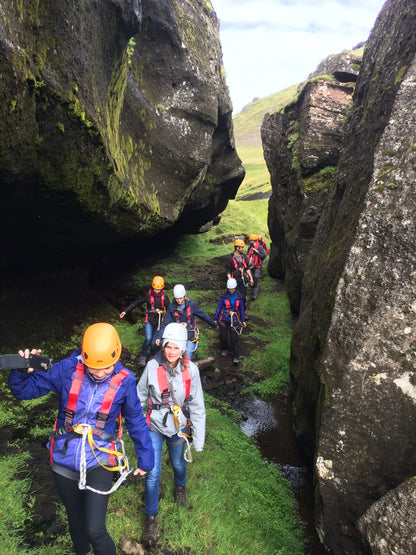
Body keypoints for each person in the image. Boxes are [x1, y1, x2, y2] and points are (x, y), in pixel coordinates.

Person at [8, 323, 154, 555]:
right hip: (63, 459)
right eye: (94, 367)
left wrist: (146, 458)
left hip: (100, 460)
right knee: (75, 523)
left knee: (95, 529)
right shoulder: (66, 369)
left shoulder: (125, 381)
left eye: (106, 368)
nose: (99, 373)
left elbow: (135, 419)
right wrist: (20, 372)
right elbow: (24, 391)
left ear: (116, 355)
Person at [137, 323, 206, 548]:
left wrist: (199, 440)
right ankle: (150, 520)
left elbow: (197, 405)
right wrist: (136, 430)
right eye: (168, 346)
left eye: (176, 347)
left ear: (183, 349)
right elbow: (140, 398)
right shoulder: (151, 367)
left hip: (178, 426)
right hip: (155, 425)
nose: (171, 351)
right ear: (163, 345)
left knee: (177, 464)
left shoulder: (191, 370)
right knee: (152, 472)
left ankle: (180, 486)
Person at [156, 284, 218, 360]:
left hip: (190, 336)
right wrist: (159, 337)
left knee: (186, 359)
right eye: (177, 299)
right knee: (174, 358)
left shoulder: (191, 305)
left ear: (184, 296)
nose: (178, 300)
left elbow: (203, 315)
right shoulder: (171, 307)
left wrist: (214, 325)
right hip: (177, 337)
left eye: (180, 298)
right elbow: (165, 323)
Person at [120, 276, 170, 367]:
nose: (156, 291)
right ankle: (143, 356)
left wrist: (172, 320)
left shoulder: (164, 297)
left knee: (154, 343)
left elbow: (170, 309)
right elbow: (137, 302)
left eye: (158, 289)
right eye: (155, 289)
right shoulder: (148, 295)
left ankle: (152, 356)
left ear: (162, 288)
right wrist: (125, 311)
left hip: (159, 323)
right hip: (149, 321)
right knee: (148, 338)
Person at [214, 278, 247, 365]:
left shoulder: (239, 297)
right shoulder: (223, 296)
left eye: (232, 289)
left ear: (235, 288)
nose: (231, 291)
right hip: (224, 318)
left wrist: (243, 320)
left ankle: (235, 356)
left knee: (234, 338)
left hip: (235, 319)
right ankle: (224, 348)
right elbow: (219, 308)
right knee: (223, 336)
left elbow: (242, 310)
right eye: (229, 289)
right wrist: (215, 319)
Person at [225, 239, 254, 303]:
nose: (243, 249)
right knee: (234, 297)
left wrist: (251, 278)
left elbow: (247, 268)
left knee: (243, 297)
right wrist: (230, 282)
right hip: (234, 280)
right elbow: (228, 271)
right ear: (237, 248)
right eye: (242, 247)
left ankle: (242, 309)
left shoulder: (244, 257)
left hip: (243, 280)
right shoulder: (230, 258)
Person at [247, 234, 267, 300]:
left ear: (254, 240)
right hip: (251, 266)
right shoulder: (250, 247)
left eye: (251, 240)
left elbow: (263, 256)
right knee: (251, 279)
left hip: (257, 266)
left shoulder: (260, 247)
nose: (250, 241)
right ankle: (252, 293)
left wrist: (257, 253)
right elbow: (248, 255)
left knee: (256, 278)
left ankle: (255, 295)